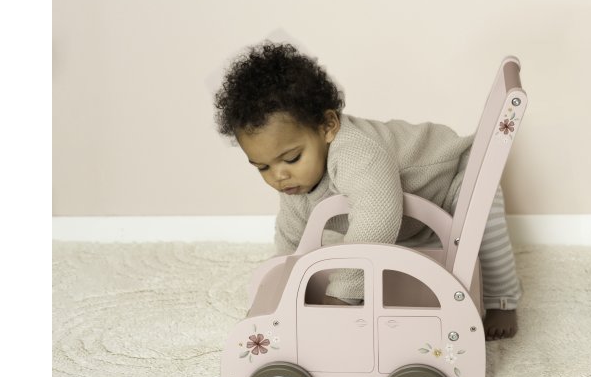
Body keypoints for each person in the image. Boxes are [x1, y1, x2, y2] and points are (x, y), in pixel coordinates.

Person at [213, 41, 522, 340]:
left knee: (484, 222)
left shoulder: (355, 152)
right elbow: (292, 241)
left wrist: (342, 293)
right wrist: (285, 293)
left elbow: (378, 220)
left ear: (328, 126)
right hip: (414, 218)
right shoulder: (295, 183)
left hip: (455, 180)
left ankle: (502, 301)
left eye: (292, 158)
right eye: (262, 167)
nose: (279, 176)